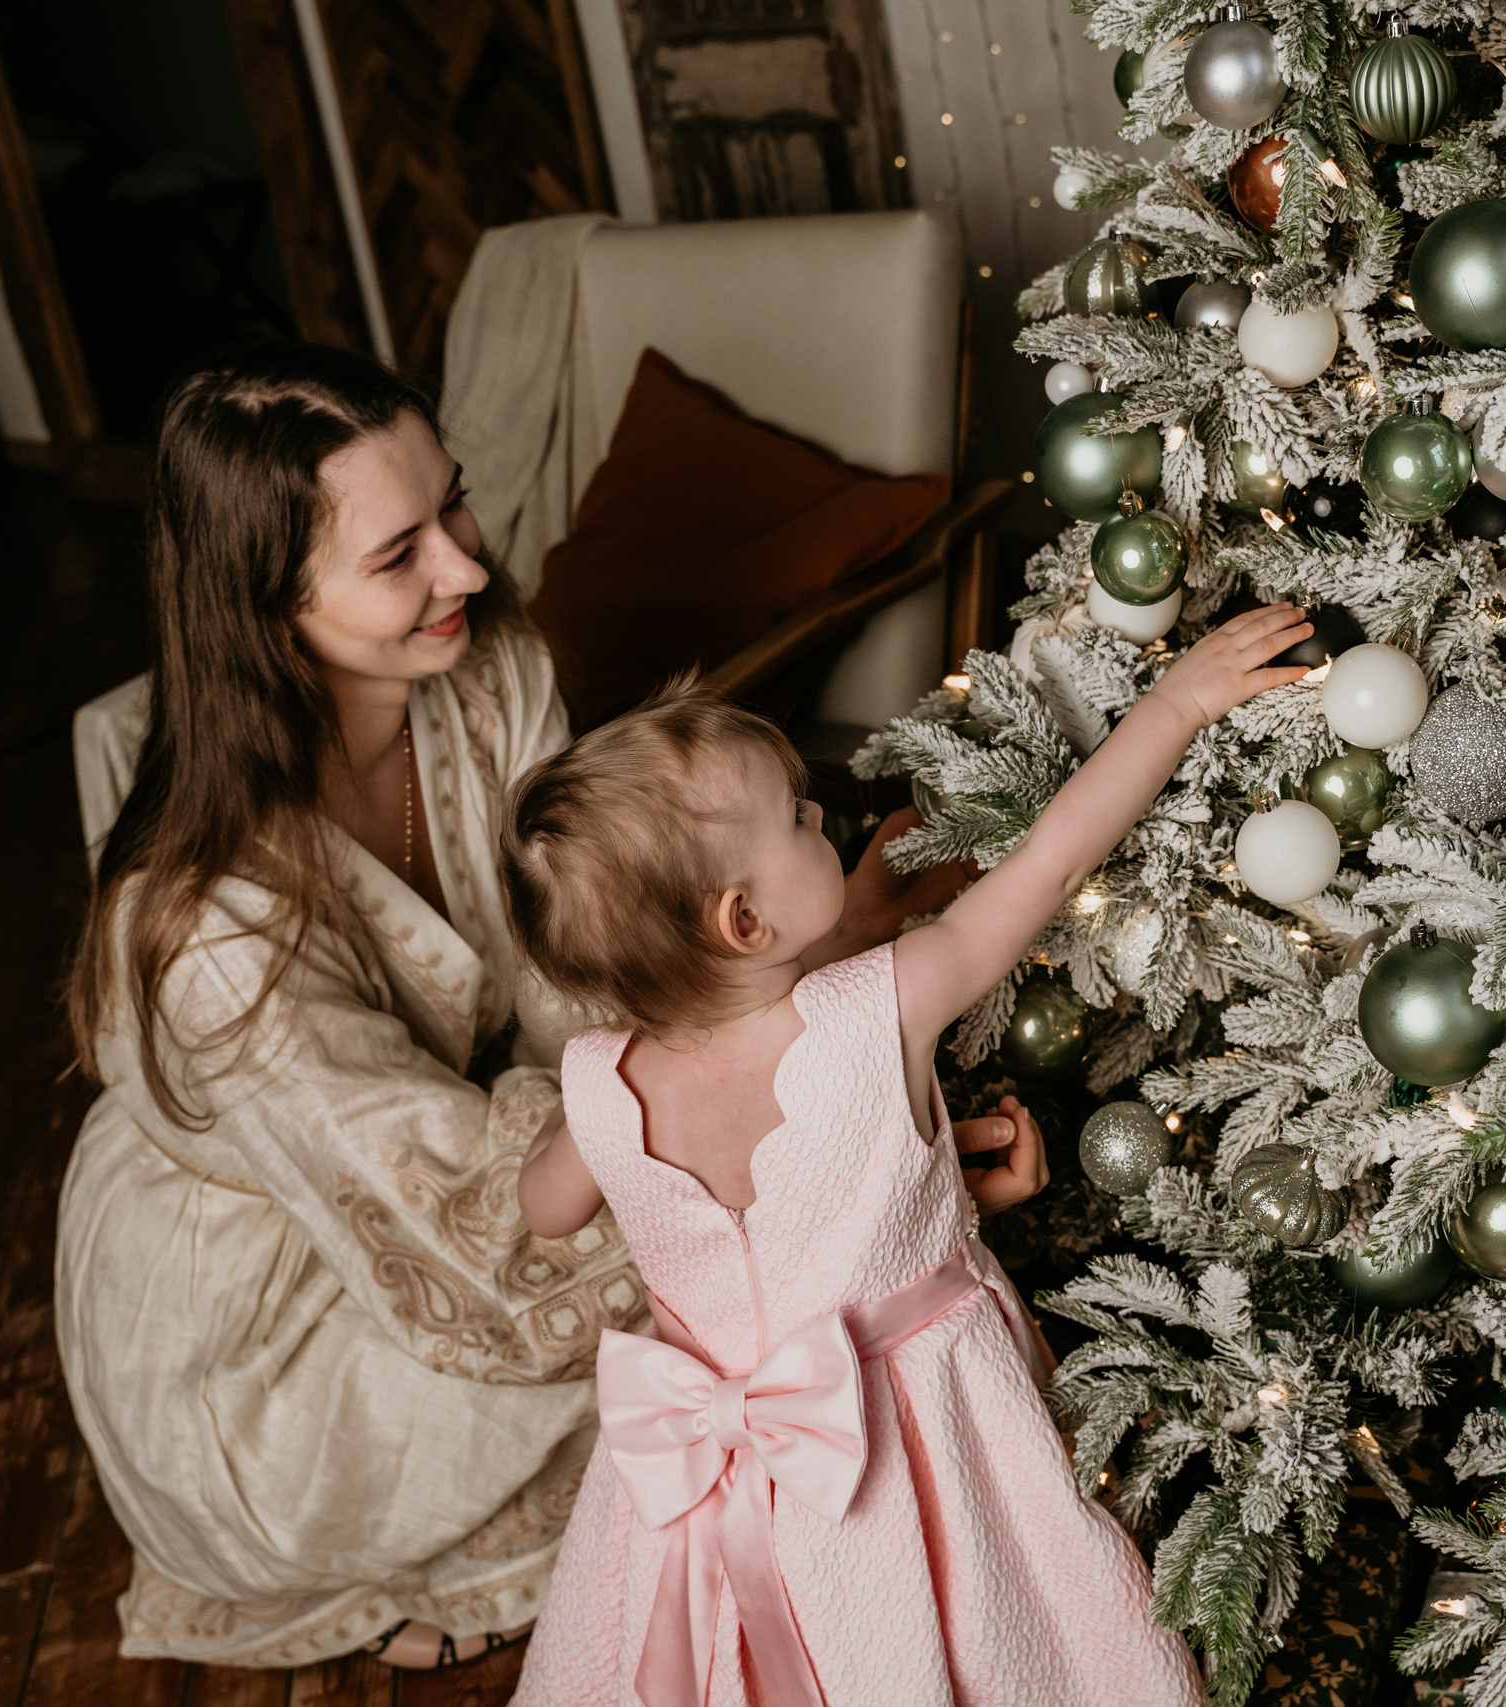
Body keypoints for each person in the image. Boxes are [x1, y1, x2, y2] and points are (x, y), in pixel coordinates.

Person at [57, 342, 1037, 1669]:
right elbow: (468, 1236)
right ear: (264, 606)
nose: (466, 564)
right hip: (275, 1306)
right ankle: (313, 1542)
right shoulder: (201, 923)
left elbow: (596, 1000)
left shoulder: (489, 671)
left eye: (452, 504)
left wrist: (833, 1044)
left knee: (774, 1335)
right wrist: (830, 1181)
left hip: (508, 1145)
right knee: (746, 1349)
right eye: (397, 552)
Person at [500, 600, 1314, 1705]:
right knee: (960, 1639)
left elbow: (545, 1206)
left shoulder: (601, 1078)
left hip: (693, 1485)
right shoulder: (884, 1003)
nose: (824, 821)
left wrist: (920, 1195)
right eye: (798, 818)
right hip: (915, 1438)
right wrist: (1180, 701)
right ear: (745, 922)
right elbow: (1053, 855)